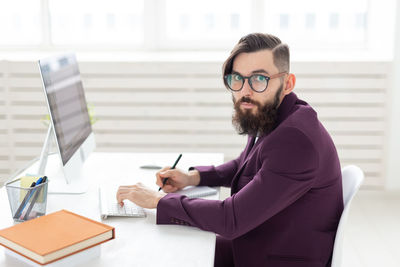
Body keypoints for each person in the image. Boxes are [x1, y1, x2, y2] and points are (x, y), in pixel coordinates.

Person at [116, 33, 343, 267]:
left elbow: (230, 219)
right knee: (163, 244)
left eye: (259, 79)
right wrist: (193, 177)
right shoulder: (273, 114)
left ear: (287, 84)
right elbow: (245, 164)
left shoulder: (295, 140)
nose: (245, 91)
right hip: (259, 243)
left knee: (164, 251)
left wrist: (158, 200)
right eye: (238, 79)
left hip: (270, 258)